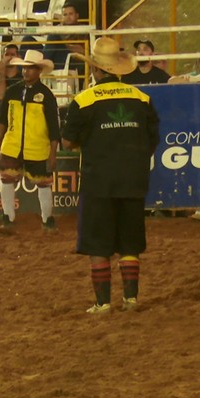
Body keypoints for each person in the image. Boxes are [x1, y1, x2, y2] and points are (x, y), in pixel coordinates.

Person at [62, 37, 159, 314]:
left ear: (96, 70)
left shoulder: (84, 100)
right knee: (129, 242)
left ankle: (103, 302)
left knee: (98, 243)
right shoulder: (141, 98)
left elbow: (68, 142)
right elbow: (152, 139)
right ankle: (131, 299)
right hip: (132, 179)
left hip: (98, 181)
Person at [0, 49, 61, 234]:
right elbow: (2, 121)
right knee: (7, 180)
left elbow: (54, 127)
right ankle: (8, 218)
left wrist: (53, 154)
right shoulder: (12, 91)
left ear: (39, 70)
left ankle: (47, 219)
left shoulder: (46, 95)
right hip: (12, 145)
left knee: (43, 184)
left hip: (37, 147)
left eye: (30, 68)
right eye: (24, 68)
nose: (26, 72)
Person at [41, 2, 85, 72]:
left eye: (71, 14)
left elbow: (83, 51)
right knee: (28, 39)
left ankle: (41, 66)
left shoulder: (83, 30)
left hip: (71, 60)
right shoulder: (58, 28)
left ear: (77, 15)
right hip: (55, 59)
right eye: (65, 15)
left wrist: (65, 45)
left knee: (53, 35)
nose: (68, 17)